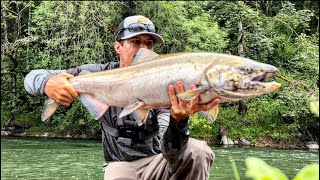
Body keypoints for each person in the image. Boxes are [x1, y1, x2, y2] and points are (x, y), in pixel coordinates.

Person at [24, 15, 220, 180]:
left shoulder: (164, 83)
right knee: (117, 174)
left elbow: (171, 153)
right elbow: (31, 78)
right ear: (118, 47)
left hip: (158, 162)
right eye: (136, 42)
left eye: (149, 43)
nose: (143, 48)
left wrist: (179, 120)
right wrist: (47, 84)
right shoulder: (98, 73)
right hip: (120, 166)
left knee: (199, 151)